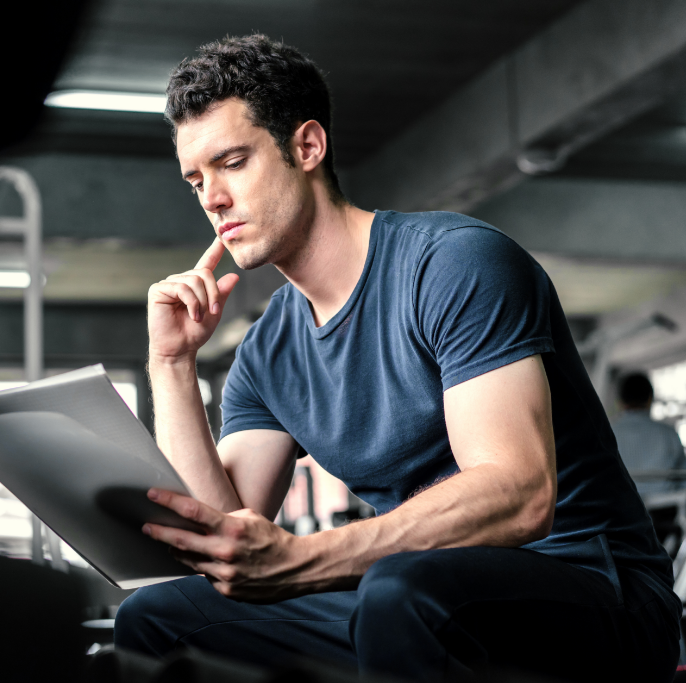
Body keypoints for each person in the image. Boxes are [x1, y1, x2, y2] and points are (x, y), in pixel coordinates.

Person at [114, 35, 680, 682]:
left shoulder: (454, 263)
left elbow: (520, 494)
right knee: (159, 617)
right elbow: (222, 537)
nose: (211, 197)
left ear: (307, 146)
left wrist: (306, 557)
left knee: (402, 594)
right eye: (196, 179)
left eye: (233, 162)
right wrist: (172, 365)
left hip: (594, 590)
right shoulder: (267, 351)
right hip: (411, 597)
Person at [612, 373, 686, 498]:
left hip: (621, 511)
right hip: (663, 510)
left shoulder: (608, 434)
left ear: (620, 401)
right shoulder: (668, 433)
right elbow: (682, 477)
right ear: (650, 399)